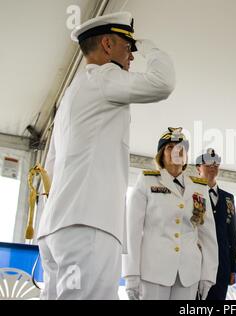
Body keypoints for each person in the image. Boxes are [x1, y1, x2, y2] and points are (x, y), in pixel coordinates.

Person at [37, 12, 175, 300]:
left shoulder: (71, 95)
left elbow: (51, 164)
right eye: (129, 47)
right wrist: (148, 45)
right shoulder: (104, 76)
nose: (132, 56)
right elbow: (162, 83)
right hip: (88, 225)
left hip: (58, 227)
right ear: (108, 45)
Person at [122, 128, 218, 300]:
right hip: (153, 271)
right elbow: (132, 231)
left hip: (189, 274)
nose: (177, 150)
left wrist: (208, 275)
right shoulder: (147, 180)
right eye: (170, 147)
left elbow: (208, 234)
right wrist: (131, 274)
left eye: (181, 147)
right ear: (161, 155)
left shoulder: (199, 187)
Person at [195, 148, 236, 300]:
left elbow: (232, 235)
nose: (212, 166)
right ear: (198, 167)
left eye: (216, 164)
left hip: (222, 265)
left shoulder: (228, 198)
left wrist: (233, 268)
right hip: (196, 261)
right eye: (207, 163)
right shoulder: (190, 192)